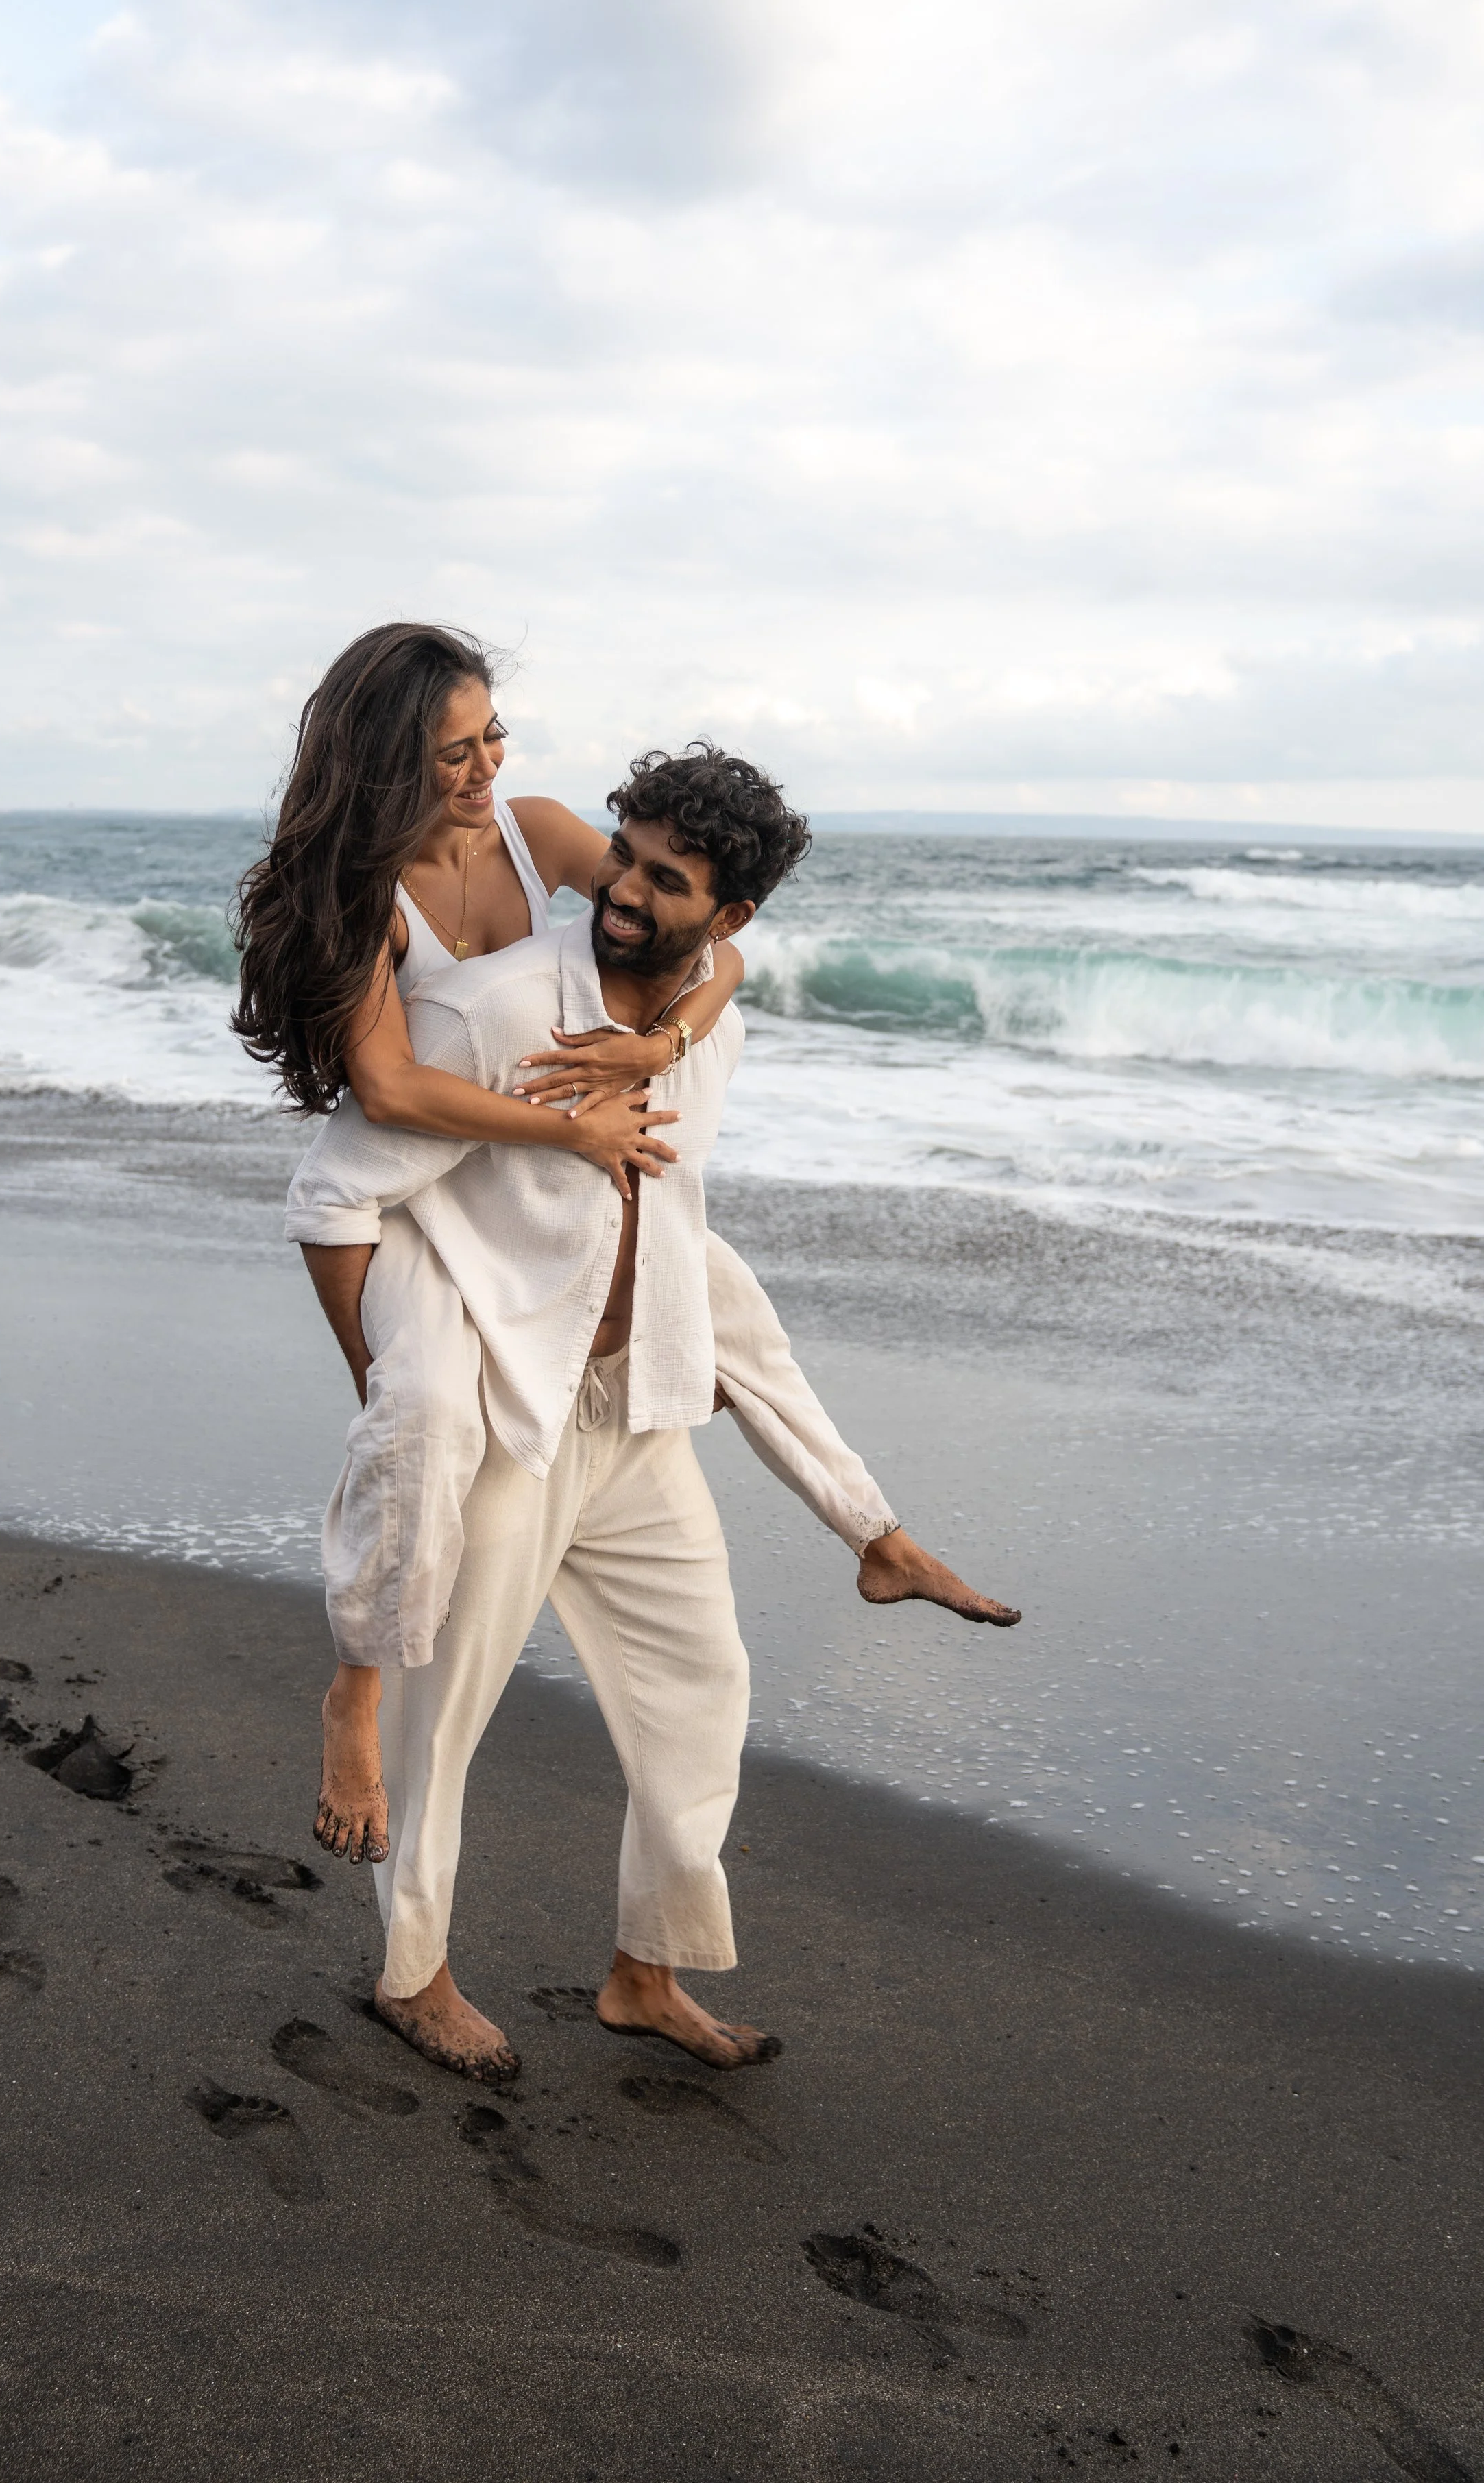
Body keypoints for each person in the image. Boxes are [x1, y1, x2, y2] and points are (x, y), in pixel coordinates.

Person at [280, 741, 1019, 2085]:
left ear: (727, 920)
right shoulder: (500, 1013)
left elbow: (688, 1247)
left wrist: (856, 1511)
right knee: (440, 1723)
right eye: (619, 854)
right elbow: (335, 1193)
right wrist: (387, 1389)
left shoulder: (711, 1028)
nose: (618, 887)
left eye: (660, 877)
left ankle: (644, 1973)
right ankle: (411, 1975)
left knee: (700, 1691)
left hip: (635, 1419)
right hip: (512, 1415)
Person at [238, 625, 1013, 1708]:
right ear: (384, 762)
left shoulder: (532, 830)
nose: (485, 767)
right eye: (451, 752)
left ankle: (877, 1534)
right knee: (423, 1411)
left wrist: (665, 1043)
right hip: (423, 1183)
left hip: (511, 1166)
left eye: (492, 735)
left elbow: (698, 932)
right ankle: (357, 1688)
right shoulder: (368, 896)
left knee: (732, 1313)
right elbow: (392, 1093)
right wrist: (572, 1135)